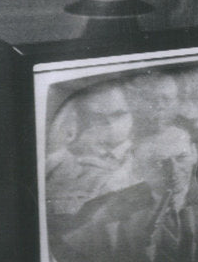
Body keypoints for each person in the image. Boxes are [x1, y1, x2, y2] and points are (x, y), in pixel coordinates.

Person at [52, 124, 198, 262]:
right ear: (137, 165)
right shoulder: (104, 211)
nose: (173, 171)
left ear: (194, 153)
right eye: (159, 162)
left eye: (181, 157)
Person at [45, 81, 137, 216]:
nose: (110, 123)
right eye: (98, 117)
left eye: (118, 114)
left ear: (133, 113)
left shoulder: (142, 157)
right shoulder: (58, 160)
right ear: (83, 119)